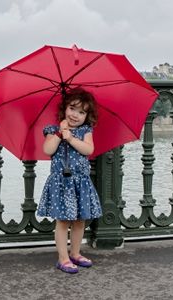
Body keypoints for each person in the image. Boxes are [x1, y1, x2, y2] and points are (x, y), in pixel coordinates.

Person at [37, 88, 103, 274]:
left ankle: (75, 253)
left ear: (87, 116)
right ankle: (63, 258)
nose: (76, 115)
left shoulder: (85, 131)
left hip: (80, 182)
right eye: (72, 108)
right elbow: (48, 150)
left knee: (80, 220)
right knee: (63, 221)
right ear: (64, 109)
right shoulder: (52, 130)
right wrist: (60, 134)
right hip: (61, 184)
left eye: (82, 112)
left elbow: (88, 150)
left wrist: (71, 138)